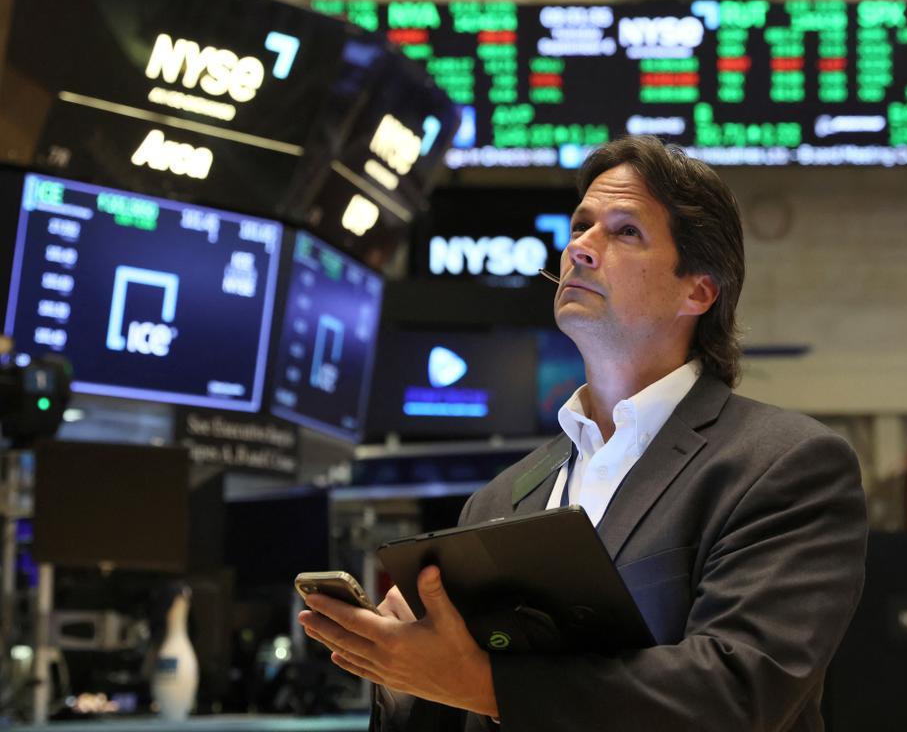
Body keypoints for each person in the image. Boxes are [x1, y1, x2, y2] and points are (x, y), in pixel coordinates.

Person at [299, 135, 868, 731]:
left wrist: (486, 685)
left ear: (697, 290)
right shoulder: (500, 497)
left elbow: (737, 693)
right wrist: (405, 674)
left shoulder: (784, 465)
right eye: (582, 225)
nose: (581, 247)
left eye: (626, 231)